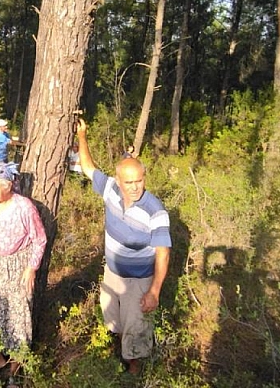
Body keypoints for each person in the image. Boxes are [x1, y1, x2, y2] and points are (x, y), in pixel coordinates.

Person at [75, 118, 171, 375]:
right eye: (129, 182)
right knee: (113, 320)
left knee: (136, 325)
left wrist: (154, 291)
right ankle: (119, 352)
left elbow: (163, 254)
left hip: (139, 280)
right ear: (118, 181)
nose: (135, 187)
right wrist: (82, 136)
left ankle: (134, 369)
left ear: (144, 178)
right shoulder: (110, 190)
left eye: (139, 180)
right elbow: (87, 167)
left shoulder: (156, 211)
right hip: (113, 273)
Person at [0, 161, 47, 387]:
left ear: (8, 184)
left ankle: (15, 368)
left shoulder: (24, 207)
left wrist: (31, 268)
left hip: (18, 266)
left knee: (17, 316)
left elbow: (40, 239)